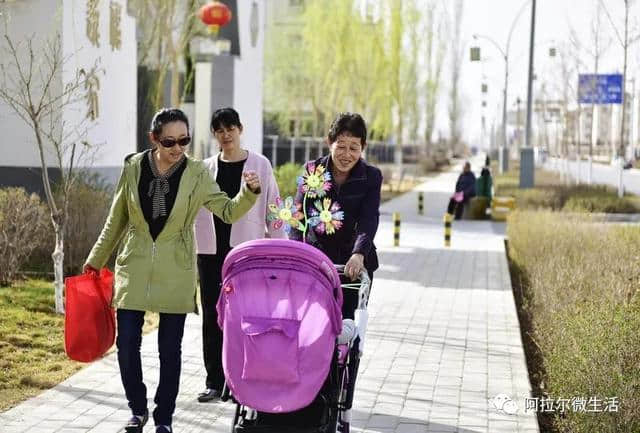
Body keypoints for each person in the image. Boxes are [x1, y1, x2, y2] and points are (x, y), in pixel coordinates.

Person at [83, 108, 261, 433]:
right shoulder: (134, 166)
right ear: (154, 138)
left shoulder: (196, 173)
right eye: (169, 141)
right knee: (127, 346)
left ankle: (164, 418)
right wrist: (95, 260)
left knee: (169, 350)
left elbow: (227, 210)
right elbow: (116, 219)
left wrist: (248, 194)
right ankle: (137, 410)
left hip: (177, 268)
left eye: (184, 140)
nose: (177, 148)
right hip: (134, 264)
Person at [193, 107, 286, 403]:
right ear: (214, 135)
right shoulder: (205, 168)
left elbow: (274, 205)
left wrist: (279, 245)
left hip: (246, 252)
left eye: (230, 128)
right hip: (209, 252)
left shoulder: (260, 164)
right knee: (211, 315)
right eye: (220, 130)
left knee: (245, 317)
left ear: (240, 129)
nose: (226, 134)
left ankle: (240, 381)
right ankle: (213, 380)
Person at [290, 112, 382, 320]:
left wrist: (359, 254)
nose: (346, 154)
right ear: (329, 142)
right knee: (314, 323)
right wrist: (298, 252)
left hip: (351, 266)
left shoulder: (371, 176)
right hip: (317, 261)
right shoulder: (313, 170)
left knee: (347, 326)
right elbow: (298, 216)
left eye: (353, 148)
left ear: (363, 148)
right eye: (340, 146)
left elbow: (369, 219)